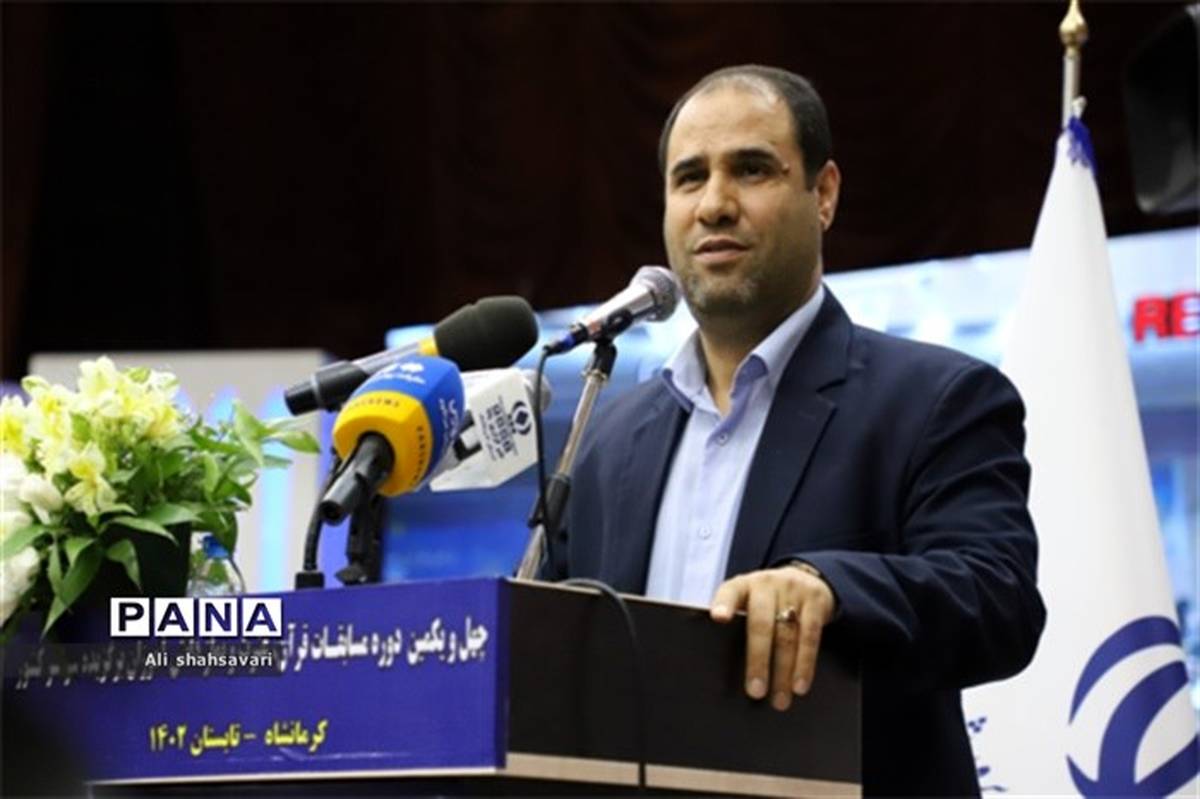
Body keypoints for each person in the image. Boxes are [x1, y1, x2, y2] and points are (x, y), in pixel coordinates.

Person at [543, 64, 1047, 796]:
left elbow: (1000, 601)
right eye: (689, 178)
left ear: (825, 193)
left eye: (751, 169)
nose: (715, 204)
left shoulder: (939, 399)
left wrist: (833, 586)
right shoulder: (607, 438)